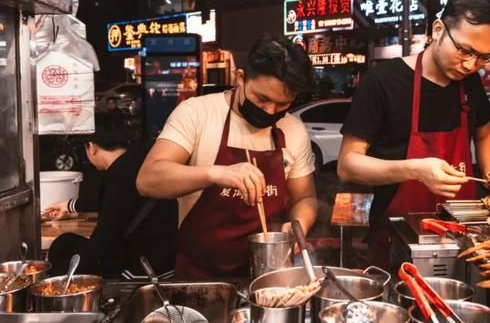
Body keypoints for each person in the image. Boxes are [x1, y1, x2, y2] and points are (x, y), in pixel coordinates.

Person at [337, 0, 490, 269]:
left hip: (463, 234)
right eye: (464, 50)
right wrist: (416, 169)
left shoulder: (470, 83)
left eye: (483, 57)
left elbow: (485, 134)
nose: (470, 65)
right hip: (398, 237)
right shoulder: (382, 82)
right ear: (438, 29)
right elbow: (347, 165)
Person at [136, 38, 318, 278]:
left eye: (283, 104)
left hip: (268, 274)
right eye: (262, 99)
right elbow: (148, 179)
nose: (270, 112)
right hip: (200, 277)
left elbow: (305, 197)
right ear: (240, 78)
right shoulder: (197, 113)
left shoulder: (293, 130)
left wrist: (298, 225)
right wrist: (218, 173)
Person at [44, 114, 178, 279]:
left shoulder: (118, 177)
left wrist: (55, 277)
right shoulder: (139, 161)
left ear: (92, 147)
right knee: (65, 242)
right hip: (165, 258)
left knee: (64, 252)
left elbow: (102, 243)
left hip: (141, 269)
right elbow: (111, 202)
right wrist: (69, 206)